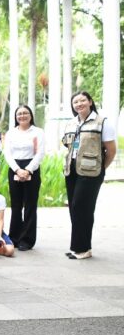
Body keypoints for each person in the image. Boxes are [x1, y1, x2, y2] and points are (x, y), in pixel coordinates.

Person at [61, 91, 117, 260]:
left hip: (91, 172)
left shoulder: (102, 122)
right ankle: (78, 247)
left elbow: (111, 151)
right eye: (75, 102)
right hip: (71, 170)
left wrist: (101, 169)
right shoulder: (71, 123)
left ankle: (83, 249)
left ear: (90, 102)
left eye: (82, 100)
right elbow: (67, 144)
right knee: (74, 208)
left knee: (82, 207)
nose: (79, 104)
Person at [3, 104, 44, 251]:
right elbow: (7, 153)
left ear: (31, 115)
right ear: (16, 117)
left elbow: (40, 153)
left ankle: (27, 240)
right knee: (16, 205)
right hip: (15, 167)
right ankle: (14, 237)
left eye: (25, 113)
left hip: (31, 168)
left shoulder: (38, 132)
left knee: (30, 205)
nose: (22, 116)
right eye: (19, 114)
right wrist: (17, 170)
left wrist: (28, 170)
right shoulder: (11, 133)